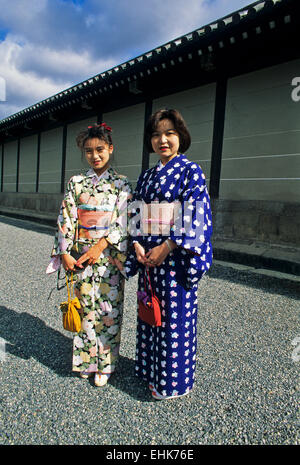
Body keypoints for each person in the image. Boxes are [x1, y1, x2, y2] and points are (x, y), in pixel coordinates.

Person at [125, 109, 213, 400]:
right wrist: (137, 245)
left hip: (175, 261)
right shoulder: (147, 175)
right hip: (149, 259)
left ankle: (172, 383)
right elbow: (136, 213)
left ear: (181, 137)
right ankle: (150, 372)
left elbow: (195, 213)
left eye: (169, 133)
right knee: (150, 313)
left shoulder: (191, 171)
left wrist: (168, 246)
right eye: (156, 134)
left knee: (174, 320)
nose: (162, 140)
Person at [48, 123, 132, 387]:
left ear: (110, 148)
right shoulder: (76, 183)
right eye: (89, 151)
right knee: (85, 310)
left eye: (100, 150)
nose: (95, 156)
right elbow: (67, 218)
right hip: (81, 255)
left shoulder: (121, 183)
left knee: (108, 310)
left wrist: (101, 246)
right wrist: (65, 253)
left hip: (108, 258)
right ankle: (86, 361)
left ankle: (105, 365)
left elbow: (124, 221)